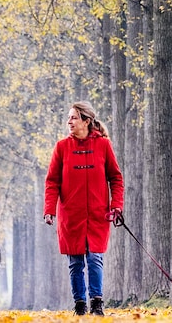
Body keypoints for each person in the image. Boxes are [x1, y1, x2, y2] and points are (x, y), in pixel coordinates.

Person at [43, 101, 124, 316]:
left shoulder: (103, 145)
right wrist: (49, 210)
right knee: (76, 262)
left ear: (87, 121)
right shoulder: (61, 147)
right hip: (71, 215)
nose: (69, 121)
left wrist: (116, 205)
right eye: (69, 117)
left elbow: (115, 178)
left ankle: (97, 302)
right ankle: (80, 304)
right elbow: (52, 181)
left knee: (95, 258)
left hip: (98, 214)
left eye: (74, 117)